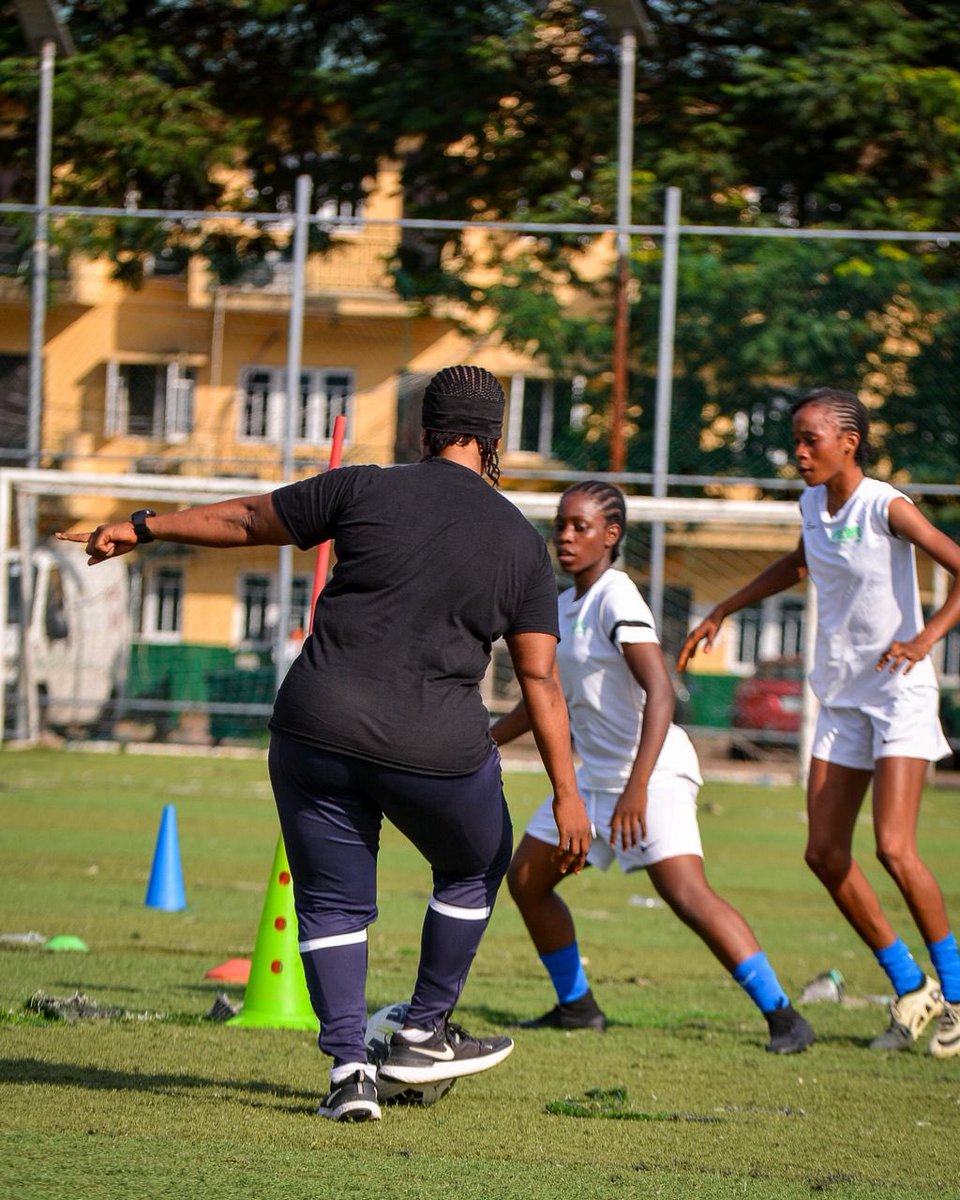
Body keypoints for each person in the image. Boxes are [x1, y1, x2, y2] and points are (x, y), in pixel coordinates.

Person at [57, 365, 592, 1121]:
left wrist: (140, 527)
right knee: (474, 862)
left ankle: (349, 1072)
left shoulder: (363, 488)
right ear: (496, 440)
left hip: (316, 726)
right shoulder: (520, 544)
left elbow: (246, 520)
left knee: (333, 901)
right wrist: (568, 796)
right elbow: (539, 681)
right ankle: (422, 1031)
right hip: (433, 745)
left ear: (424, 431)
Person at [678, 387, 960, 1058]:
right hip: (839, 698)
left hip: (898, 694)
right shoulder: (812, 505)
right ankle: (910, 985)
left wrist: (925, 641)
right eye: (795, 441)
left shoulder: (886, 506)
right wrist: (726, 607)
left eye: (811, 440)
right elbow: (802, 561)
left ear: (848, 444)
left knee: (894, 848)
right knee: (825, 854)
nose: (798, 452)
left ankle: (955, 994)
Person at [491, 480, 815, 1054]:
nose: (565, 536)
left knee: (686, 894)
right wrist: (484, 741)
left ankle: (785, 1016)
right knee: (528, 880)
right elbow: (548, 698)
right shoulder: (564, 605)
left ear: (611, 536)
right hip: (594, 780)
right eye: (560, 525)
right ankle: (578, 1008)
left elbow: (662, 692)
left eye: (580, 527)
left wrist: (637, 789)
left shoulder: (618, 596)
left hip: (654, 774)